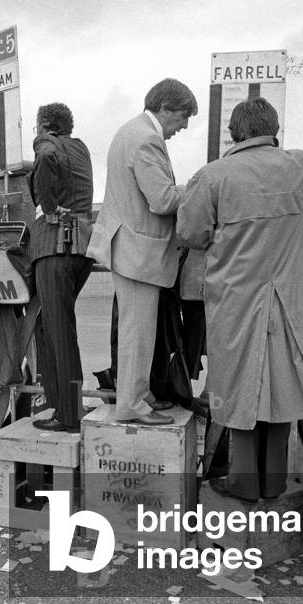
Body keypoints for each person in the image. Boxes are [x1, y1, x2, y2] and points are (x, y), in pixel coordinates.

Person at [178, 97, 303, 502]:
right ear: (274, 129)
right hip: (290, 302)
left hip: (236, 300)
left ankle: (243, 483)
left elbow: (191, 234)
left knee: (238, 390)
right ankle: (274, 482)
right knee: (283, 390)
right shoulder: (297, 166)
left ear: (235, 133)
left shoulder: (212, 176)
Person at [86, 78, 198, 426]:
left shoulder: (130, 132)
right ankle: (132, 404)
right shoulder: (146, 139)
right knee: (138, 331)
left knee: (140, 329)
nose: (183, 126)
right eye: (181, 117)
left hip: (131, 246)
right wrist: (200, 188)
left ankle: (139, 393)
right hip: (139, 250)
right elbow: (163, 199)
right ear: (164, 108)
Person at [26, 103, 95, 433]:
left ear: (43, 126)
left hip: (55, 246)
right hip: (81, 249)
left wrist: (49, 207)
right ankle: (62, 402)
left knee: (58, 331)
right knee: (50, 326)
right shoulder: (80, 148)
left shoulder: (47, 144)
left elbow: (48, 155)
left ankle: (68, 414)